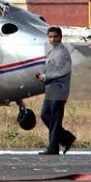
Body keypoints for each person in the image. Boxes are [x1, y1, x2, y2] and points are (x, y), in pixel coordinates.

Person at [35, 26, 76, 155]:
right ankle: (66, 138)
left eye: (55, 36)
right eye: (50, 37)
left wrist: (45, 76)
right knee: (45, 115)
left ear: (60, 37)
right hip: (51, 89)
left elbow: (61, 71)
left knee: (54, 118)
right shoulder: (53, 52)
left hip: (59, 89)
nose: (53, 39)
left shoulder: (62, 53)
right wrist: (42, 74)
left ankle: (53, 147)